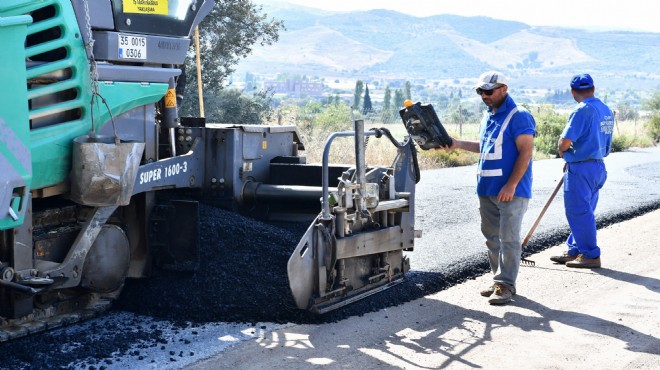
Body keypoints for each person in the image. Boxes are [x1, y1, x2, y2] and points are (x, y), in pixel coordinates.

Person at [439, 71, 536, 305]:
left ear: (504, 89)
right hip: (487, 188)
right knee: (492, 238)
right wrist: (457, 144)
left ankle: (506, 284)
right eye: (480, 91)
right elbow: (485, 146)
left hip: (511, 190)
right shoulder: (489, 116)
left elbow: (526, 151)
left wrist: (512, 184)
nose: (484, 95)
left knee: (508, 238)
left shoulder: (519, 116)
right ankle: (498, 280)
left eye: (489, 91)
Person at [550, 73, 614, 268]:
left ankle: (590, 255)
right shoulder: (605, 109)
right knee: (586, 211)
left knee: (578, 211)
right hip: (598, 166)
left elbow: (564, 142)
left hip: (582, 168)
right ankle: (575, 250)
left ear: (572, 92)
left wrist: (564, 152)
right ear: (593, 88)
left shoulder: (582, 110)